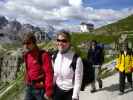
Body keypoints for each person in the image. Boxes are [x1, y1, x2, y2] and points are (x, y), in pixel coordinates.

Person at [53, 30, 83, 100]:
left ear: (69, 43)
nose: (60, 43)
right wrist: (50, 88)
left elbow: (78, 80)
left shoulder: (77, 59)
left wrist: (75, 96)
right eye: (58, 40)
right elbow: (55, 74)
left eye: (64, 41)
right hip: (57, 91)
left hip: (70, 93)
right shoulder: (54, 56)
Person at [22, 32, 53, 100]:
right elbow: (28, 70)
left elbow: (49, 73)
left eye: (28, 43)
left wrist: (49, 92)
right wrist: (26, 81)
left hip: (40, 89)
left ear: (34, 43)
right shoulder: (27, 55)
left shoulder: (43, 55)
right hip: (29, 87)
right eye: (24, 43)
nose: (25, 46)